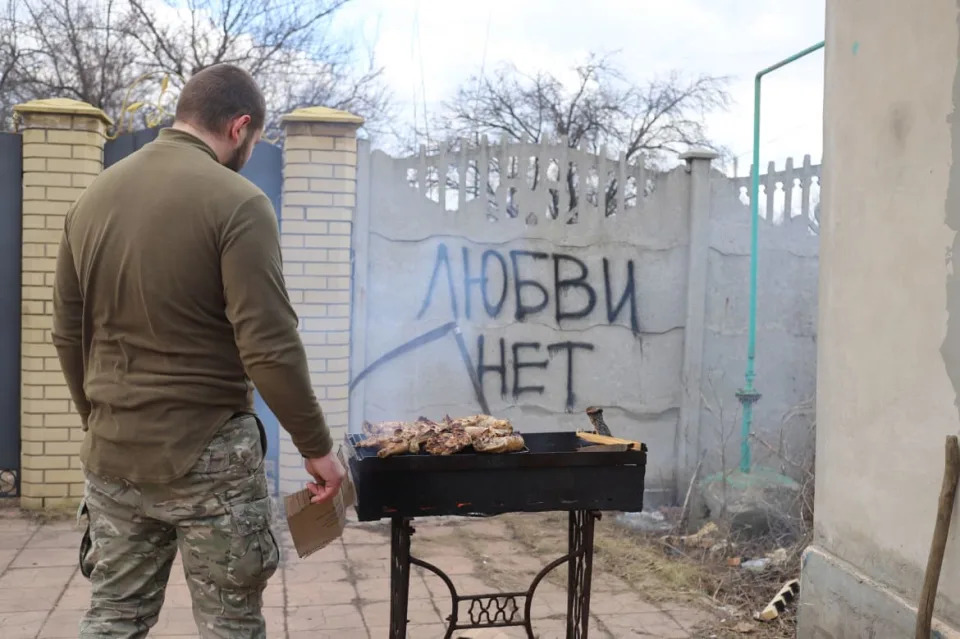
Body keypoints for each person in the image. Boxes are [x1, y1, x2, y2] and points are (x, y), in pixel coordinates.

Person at [51, 63, 345, 639]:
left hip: (113, 451)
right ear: (240, 127)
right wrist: (316, 447)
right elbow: (269, 347)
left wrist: (99, 420)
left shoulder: (90, 200)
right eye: (254, 141)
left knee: (112, 617)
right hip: (207, 453)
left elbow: (67, 332)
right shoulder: (239, 202)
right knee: (230, 624)